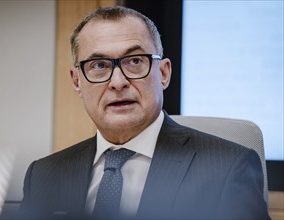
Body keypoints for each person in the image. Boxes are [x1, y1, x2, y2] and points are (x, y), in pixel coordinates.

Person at [19, 6, 270, 219]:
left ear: (163, 73)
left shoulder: (227, 168)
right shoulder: (43, 177)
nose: (118, 82)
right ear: (77, 82)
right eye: (98, 65)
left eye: (135, 61)